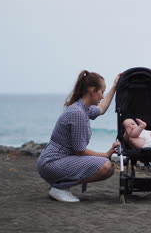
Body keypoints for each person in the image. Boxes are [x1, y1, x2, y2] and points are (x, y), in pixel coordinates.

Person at [37, 70, 121, 202]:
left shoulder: (83, 108)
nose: (102, 97)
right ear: (92, 90)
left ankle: (59, 187)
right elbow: (79, 151)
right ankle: (60, 188)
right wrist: (105, 154)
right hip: (52, 163)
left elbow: (102, 109)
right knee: (106, 166)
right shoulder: (78, 113)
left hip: (54, 161)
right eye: (101, 92)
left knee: (106, 165)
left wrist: (115, 86)